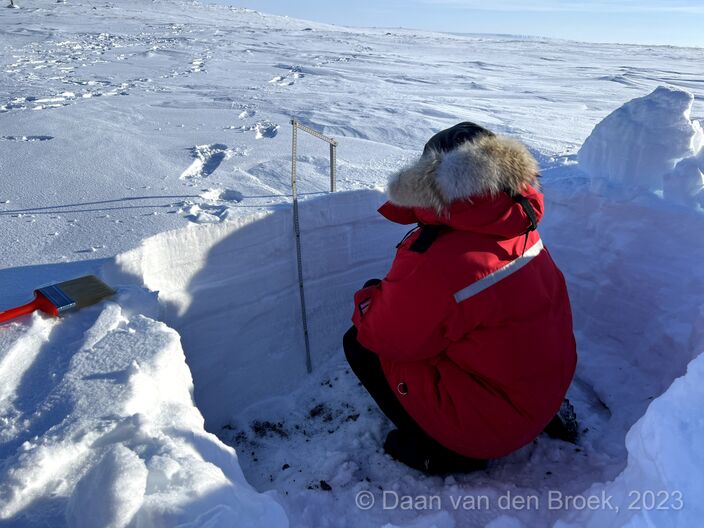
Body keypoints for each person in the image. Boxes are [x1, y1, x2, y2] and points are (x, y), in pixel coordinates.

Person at [344, 122, 578, 475]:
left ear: (432, 180)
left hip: (491, 429)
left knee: (359, 342)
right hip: (544, 397)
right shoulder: (517, 224)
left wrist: (368, 298)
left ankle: (447, 451)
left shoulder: (438, 258)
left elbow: (384, 336)